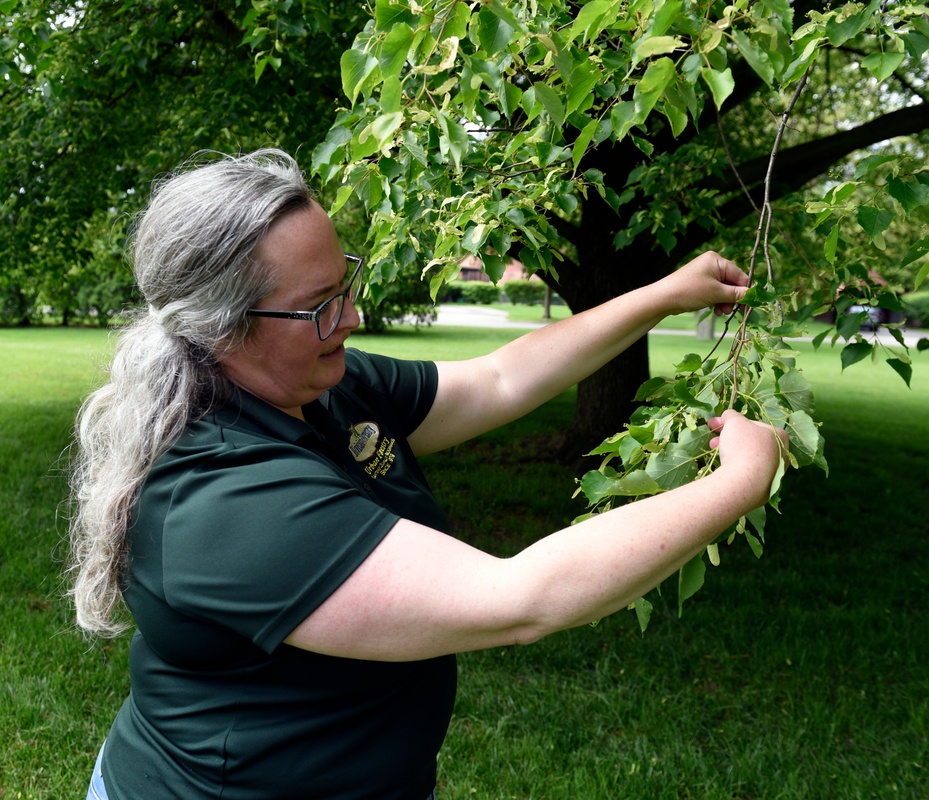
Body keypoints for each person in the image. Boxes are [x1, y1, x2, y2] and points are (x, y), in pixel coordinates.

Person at [69, 149, 786, 800]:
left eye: (344, 282)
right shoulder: (225, 498)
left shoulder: (315, 381)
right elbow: (519, 599)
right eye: (320, 305)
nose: (351, 316)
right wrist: (737, 483)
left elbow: (499, 380)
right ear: (222, 326)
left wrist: (663, 294)